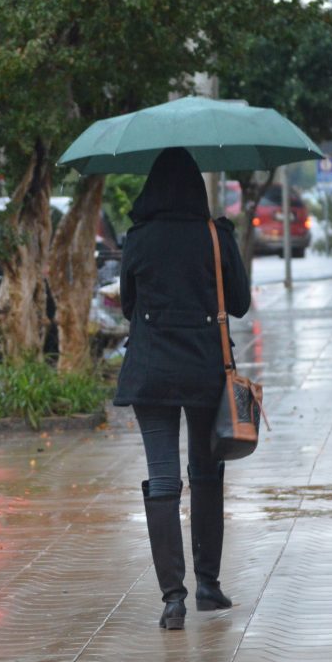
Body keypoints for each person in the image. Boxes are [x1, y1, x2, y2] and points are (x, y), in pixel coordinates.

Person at [113, 147, 251, 631]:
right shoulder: (215, 235)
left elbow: (129, 304)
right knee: (207, 472)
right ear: (197, 188)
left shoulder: (139, 239)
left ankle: (173, 599)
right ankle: (209, 586)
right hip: (204, 371)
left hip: (150, 372)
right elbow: (239, 303)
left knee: (165, 477)